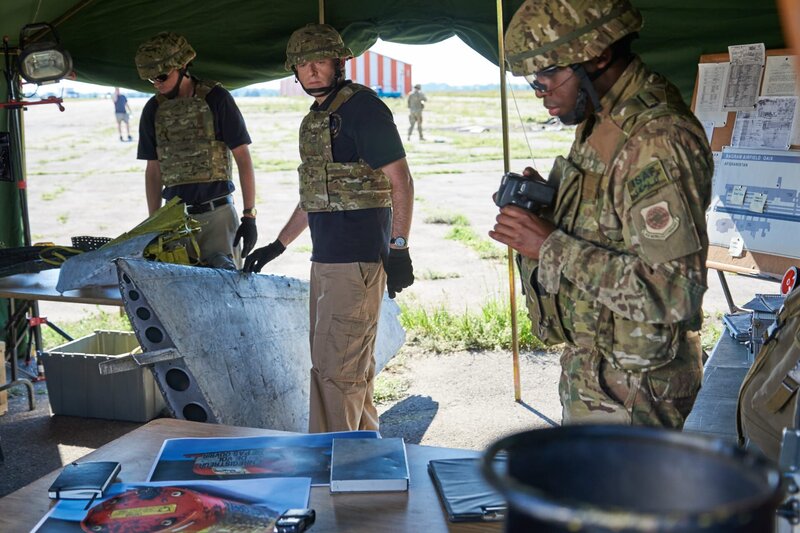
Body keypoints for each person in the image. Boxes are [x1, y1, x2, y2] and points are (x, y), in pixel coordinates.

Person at [491, 0, 713, 428]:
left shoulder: (657, 140)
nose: (542, 94)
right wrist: (555, 206)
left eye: (549, 75)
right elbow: (612, 223)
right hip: (601, 375)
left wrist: (549, 244)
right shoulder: (604, 118)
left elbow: (673, 291)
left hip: (636, 394)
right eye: (534, 81)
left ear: (598, 55)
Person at [243, 23, 415, 433]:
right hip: (327, 260)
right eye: (303, 64)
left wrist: (400, 248)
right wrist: (277, 245)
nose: (312, 71)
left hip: (354, 260)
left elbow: (401, 180)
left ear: (340, 62)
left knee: (337, 372)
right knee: (344, 366)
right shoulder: (320, 114)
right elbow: (317, 195)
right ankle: (364, 453)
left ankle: (335, 463)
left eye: (320, 61)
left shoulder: (362, 109)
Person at [134, 32, 258, 269]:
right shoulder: (153, 110)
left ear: (182, 66)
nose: (157, 84)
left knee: (227, 296)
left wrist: (249, 215)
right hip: (175, 221)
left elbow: (242, 157)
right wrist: (154, 222)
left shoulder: (216, 99)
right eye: (151, 80)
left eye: (161, 76)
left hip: (218, 217)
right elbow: (153, 170)